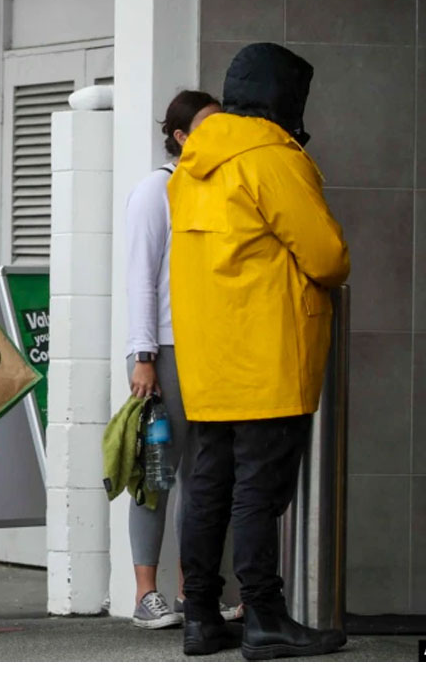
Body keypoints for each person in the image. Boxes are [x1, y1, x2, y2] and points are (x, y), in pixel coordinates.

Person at [167, 43, 350, 659]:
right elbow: (327, 257)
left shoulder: (194, 162)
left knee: (210, 485)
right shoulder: (273, 158)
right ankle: (265, 616)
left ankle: (199, 616)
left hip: (209, 356)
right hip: (269, 351)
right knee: (258, 492)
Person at [124, 90, 233, 629]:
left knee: (204, 476)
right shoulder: (157, 188)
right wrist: (143, 357)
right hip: (161, 351)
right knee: (157, 472)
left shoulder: (214, 189)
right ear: (181, 136)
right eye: (209, 126)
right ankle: (146, 594)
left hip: (205, 348)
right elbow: (140, 278)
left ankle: (195, 591)